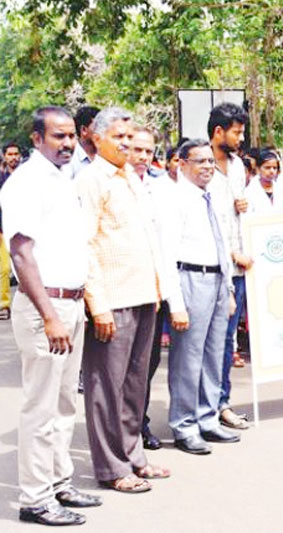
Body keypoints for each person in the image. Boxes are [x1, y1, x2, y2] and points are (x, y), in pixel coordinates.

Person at [2, 106, 102, 527]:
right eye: (57, 136)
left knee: (63, 403)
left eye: (70, 136)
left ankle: (59, 481)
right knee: (41, 407)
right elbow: (22, 253)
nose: (67, 143)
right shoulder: (26, 181)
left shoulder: (63, 179)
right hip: (47, 306)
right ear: (36, 137)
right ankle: (35, 498)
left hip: (71, 303)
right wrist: (49, 316)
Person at [77, 107, 169, 493]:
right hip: (112, 298)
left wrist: (160, 290)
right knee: (106, 387)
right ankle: (112, 468)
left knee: (135, 384)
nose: (127, 145)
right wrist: (97, 304)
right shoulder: (90, 180)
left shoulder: (131, 177)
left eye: (130, 138)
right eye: (119, 137)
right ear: (97, 138)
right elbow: (86, 244)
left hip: (144, 294)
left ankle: (133, 456)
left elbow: (148, 236)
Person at [166, 139, 242, 454]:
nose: (208, 167)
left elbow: (221, 243)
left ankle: (207, 418)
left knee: (213, 354)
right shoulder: (174, 199)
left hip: (217, 281)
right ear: (182, 164)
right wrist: (176, 303)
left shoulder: (212, 197)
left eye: (211, 161)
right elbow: (167, 253)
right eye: (200, 161)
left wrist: (228, 289)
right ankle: (184, 425)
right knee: (188, 357)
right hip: (190, 278)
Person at [128, 126, 177, 450]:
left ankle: (139, 423)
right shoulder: (110, 183)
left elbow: (165, 244)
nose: (144, 157)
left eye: (149, 152)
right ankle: (122, 433)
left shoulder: (159, 188)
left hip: (155, 289)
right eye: (137, 150)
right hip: (122, 291)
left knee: (148, 364)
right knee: (123, 369)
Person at [207, 102, 253, 431]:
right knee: (209, 341)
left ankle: (221, 403)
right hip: (211, 269)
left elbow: (237, 214)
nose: (242, 137)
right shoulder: (200, 165)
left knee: (228, 342)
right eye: (237, 131)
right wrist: (232, 254)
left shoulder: (238, 166)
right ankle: (205, 407)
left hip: (238, 270)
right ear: (218, 131)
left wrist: (244, 207)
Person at [0, 142, 21, 320]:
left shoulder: (25, 176)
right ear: (4, 157)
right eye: (10, 154)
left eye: (16, 154)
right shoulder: (1, 178)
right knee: (4, 268)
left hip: (24, 227)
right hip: (3, 229)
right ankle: (4, 305)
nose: (13, 157)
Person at [66, 105, 99, 179]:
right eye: (98, 126)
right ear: (84, 130)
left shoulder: (106, 155)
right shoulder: (69, 159)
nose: (102, 130)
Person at [245, 150, 280, 215]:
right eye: (267, 168)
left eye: (274, 168)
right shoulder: (249, 192)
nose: (272, 171)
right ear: (258, 169)